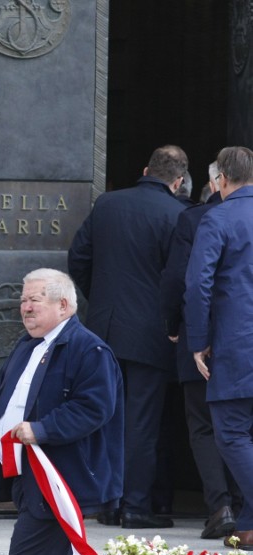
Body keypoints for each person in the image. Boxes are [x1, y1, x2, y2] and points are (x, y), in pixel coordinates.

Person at [0, 269, 124, 555]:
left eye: (35, 300)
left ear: (63, 305)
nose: (25, 307)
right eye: (23, 300)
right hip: (27, 479)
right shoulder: (27, 346)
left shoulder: (89, 349)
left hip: (57, 482)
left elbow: (95, 408)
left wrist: (42, 429)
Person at [68, 145, 188, 529]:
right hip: (153, 337)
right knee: (142, 423)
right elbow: (179, 281)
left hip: (102, 331)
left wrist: (100, 302)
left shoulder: (107, 205)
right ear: (178, 181)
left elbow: (79, 259)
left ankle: (106, 503)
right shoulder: (179, 215)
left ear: (145, 169)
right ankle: (135, 507)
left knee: (104, 417)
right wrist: (173, 323)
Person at [160, 161, 238, 539]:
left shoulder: (196, 219)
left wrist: (177, 328)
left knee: (204, 427)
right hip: (241, 345)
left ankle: (220, 506)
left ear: (216, 182)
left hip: (204, 342)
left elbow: (180, 280)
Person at [185, 146, 253, 550]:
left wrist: (198, 341)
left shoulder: (218, 216)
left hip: (236, 343)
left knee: (230, 434)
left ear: (220, 180)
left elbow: (197, 285)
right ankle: (247, 525)